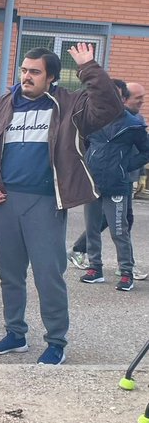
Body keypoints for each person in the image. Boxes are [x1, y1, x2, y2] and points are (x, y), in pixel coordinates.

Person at [0, 43, 123, 365]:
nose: (26, 77)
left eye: (34, 72)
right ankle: (15, 334)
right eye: (24, 70)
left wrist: (89, 68)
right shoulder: (2, 106)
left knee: (48, 275)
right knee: (10, 274)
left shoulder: (69, 104)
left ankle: (56, 341)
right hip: (5, 202)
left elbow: (109, 108)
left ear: (51, 77)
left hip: (45, 202)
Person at [68, 79, 148, 278]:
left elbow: (144, 150)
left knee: (120, 226)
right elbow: (84, 144)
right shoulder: (93, 121)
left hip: (120, 182)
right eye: (138, 98)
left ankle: (126, 269)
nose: (141, 102)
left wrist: (129, 167)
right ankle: (91, 262)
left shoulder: (134, 123)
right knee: (97, 225)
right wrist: (89, 163)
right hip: (96, 181)